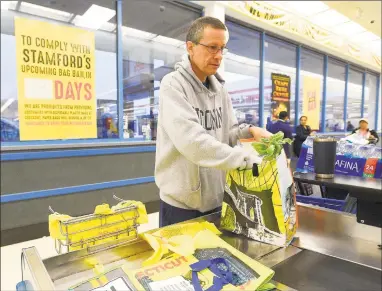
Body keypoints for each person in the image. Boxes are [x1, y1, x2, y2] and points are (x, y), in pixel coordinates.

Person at [155, 16, 271, 227]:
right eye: (211, 47)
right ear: (190, 47)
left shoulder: (221, 90)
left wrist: (250, 131)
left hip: (217, 199)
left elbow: (229, 132)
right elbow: (193, 143)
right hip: (181, 206)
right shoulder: (173, 85)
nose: (218, 56)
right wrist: (245, 160)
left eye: (222, 49)